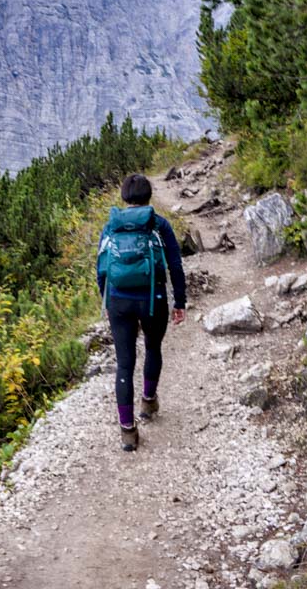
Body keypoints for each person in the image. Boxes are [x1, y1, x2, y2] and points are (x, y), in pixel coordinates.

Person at [97, 173, 186, 451]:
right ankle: (148, 403)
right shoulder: (159, 225)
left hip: (119, 300)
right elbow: (175, 266)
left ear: (124, 197)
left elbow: (101, 269)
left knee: (124, 364)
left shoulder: (111, 226)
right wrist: (179, 302)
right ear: (149, 197)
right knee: (153, 348)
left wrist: (107, 302)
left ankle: (127, 432)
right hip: (152, 298)